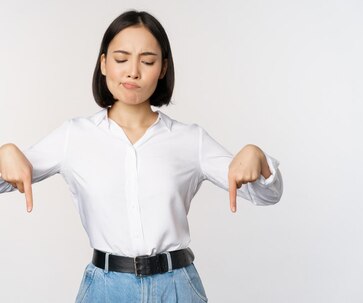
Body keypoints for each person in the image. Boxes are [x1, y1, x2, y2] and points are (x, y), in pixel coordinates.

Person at [0, 10, 283, 303]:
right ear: (104, 64)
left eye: (147, 61)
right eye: (121, 59)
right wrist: (4, 154)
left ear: (162, 68)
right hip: (105, 289)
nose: (133, 71)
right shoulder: (74, 136)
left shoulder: (190, 140)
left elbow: (266, 195)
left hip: (177, 288)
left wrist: (258, 158)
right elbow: (9, 177)